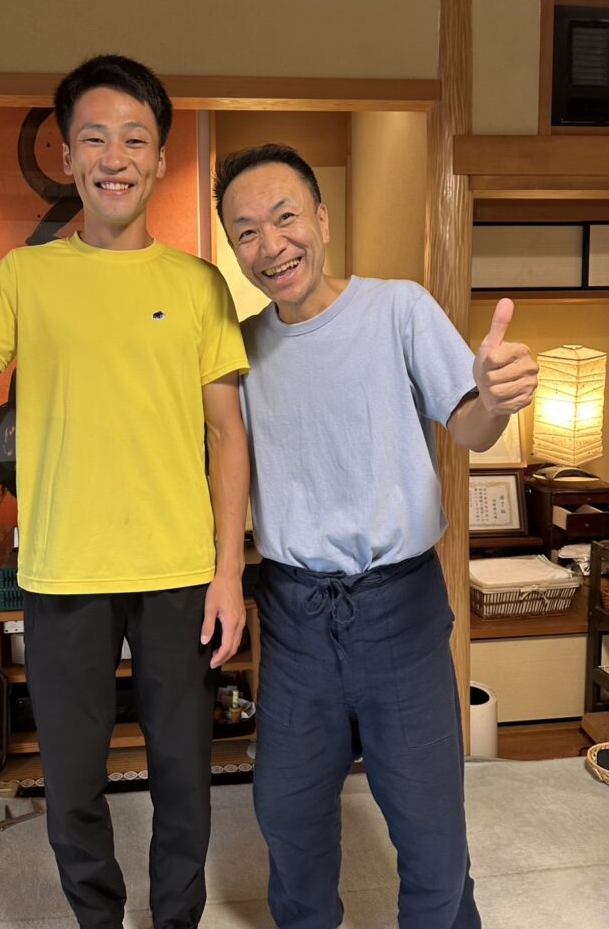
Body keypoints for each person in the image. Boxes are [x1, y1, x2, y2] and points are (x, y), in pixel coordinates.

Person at [0, 54, 250, 929]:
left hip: (178, 574)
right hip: (63, 574)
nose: (115, 158)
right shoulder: (22, 277)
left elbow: (229, 435)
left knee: (184, 776)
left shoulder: (198, 285)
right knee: (72, 783)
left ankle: (178, 921)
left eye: (135, 140)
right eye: (95, 139)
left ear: (160, 159)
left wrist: (228, 572)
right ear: (68, 157)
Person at [213, 143, 538, 929]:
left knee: (431, 834)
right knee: (288, 818)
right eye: (246, 232)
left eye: (286, 217)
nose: (271, 245)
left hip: (399, 606)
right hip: (294, 614)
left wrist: (495, 397)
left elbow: (470, 425)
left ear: (322, 220)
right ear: (233, 249)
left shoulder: (399, 309)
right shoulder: (242, 348)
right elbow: (224, 455)